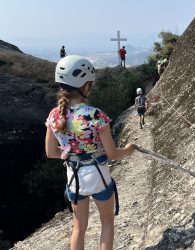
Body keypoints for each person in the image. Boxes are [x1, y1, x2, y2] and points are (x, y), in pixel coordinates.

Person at [45, 55, 135, 250]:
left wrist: (71, 150)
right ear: (85, 86)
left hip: (74, 178)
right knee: (107, 223)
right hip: (98, 176)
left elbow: (51, 152)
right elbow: (112, 154)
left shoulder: (54, 115)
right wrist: (128, 150)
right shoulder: (96, 115)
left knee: (79, 227)